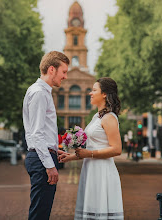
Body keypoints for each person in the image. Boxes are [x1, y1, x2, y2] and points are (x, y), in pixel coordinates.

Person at [60, 77, 124, 219]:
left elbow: (117, 149)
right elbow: (91, 147)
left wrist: (89, 153)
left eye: (94, 90)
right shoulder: (97, 117)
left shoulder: (109, 118)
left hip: (102, 171)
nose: (90, 93)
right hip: (91, 170)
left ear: (104, 94)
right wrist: (70, 156)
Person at [23, 51, 70, 220]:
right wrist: (50, 166)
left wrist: (55, 153)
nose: (65, 77)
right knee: (39, 215)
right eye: (63, 72)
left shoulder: (42, 92)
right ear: (52, 69)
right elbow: (37, 134)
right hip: (42, 161)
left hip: (43, 157)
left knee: (41, 213)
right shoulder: (39, 93)